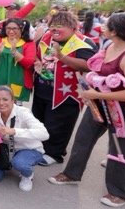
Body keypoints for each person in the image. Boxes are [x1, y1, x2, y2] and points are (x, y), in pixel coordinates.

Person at [48, 12, 125, 207]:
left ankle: (120, 192)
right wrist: (91, 90)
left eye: (107, 25)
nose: (102, 27)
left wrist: (99, 95)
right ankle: (72, 174)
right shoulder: (108, 46)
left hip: (121, 111)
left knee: (119, 149)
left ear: (116, 31)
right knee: (83, 137)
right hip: (98, 103)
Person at [32, 11, 96, 166]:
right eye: (53, 25)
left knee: (59, 124)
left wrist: (62, 57)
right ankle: (38, 148)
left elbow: (89, 65)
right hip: (42, 89)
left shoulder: (83, 42)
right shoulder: (46, 37)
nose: (55, 29)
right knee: (39, 121)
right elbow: (35, 52)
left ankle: (54, 153)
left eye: (60, 26)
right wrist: (37, 61)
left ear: (73, 28)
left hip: (67, 93)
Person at [0, 86, 49, 191]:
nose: (1, 103)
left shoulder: (23, 113)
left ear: (13, 100)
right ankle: (8, 163)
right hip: (6, 148)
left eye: (5, 99)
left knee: (20, 163)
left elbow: (44, 134)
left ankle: (27, 175)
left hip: (27, 148)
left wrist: (14, 131)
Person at [0, 18, 36, 103]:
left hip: (18, 81)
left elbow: (28, 63)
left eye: (14, 28)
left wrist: (15, 52)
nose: (11, 31)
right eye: (8, 28)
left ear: (21, 29)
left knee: (14, 106)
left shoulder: (29, 43)